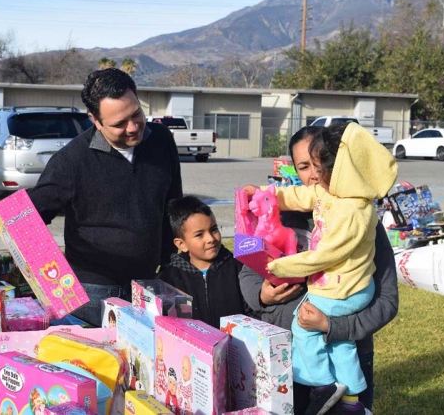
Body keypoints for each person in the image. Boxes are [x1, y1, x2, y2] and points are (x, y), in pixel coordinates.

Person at [0, 68, 182, 326]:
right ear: (95, 121)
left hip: (151, 286)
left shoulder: (162, 140)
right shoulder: (72, 160)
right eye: (119, 123)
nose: (133, 127)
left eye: (136, 114)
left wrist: (173, 266)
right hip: (93, 294)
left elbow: (174, 206)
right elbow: (37, 206)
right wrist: (3, 216)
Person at [241, 124, 398, 415]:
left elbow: (387, 301)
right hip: (284, 356)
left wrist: (332, 327)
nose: (313, 174)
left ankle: (332, 389)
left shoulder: (359, 218)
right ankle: (328, 388)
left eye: (320, 164)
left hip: (345, 345)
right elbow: (246, 272)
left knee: (344, 393)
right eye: (303, 166)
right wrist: (261, 294)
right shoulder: (289, 208)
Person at [158, 196, 246, 328]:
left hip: (234, 346)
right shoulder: (169, 279)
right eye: (199, 234)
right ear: (181, 244)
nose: (210, 238)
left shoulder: (238, 269)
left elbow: (253, 312)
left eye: (214, 229)